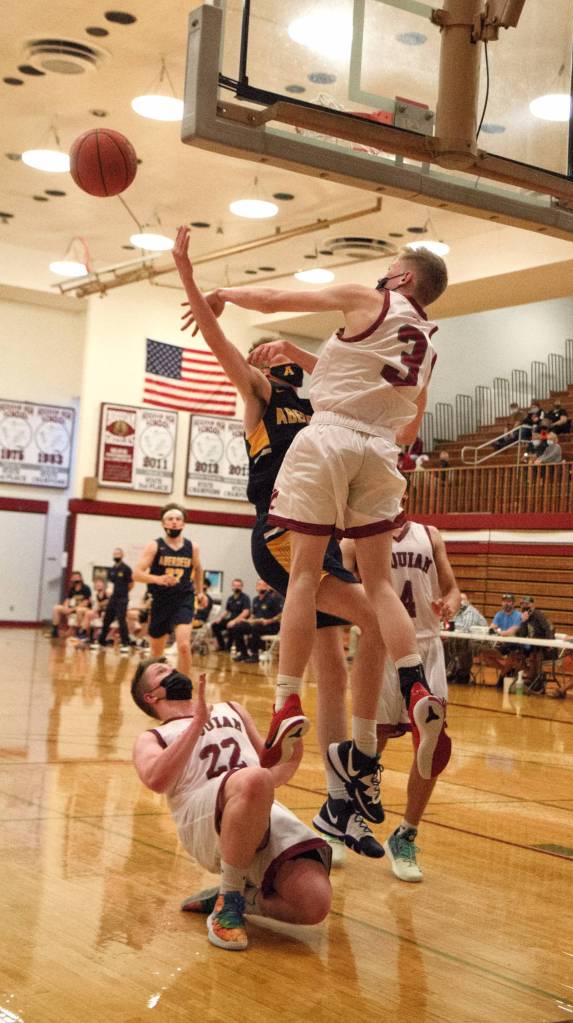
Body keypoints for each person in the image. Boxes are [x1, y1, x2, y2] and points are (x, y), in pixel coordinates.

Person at [173, 226, 393, 857]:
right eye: (263, 355)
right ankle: (359, 758)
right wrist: (191, 278)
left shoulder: (322, 401)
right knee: (376, 621)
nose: (270, 359)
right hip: (279, 533)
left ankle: (334, 797)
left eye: (277, 355)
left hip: (320, 541)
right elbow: (220, 347)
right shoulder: (263, 397)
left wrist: (298, 346)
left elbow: (359, 389)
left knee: (335, 665)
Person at [242, 246, 450, 806]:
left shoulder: (371, 299)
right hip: (381, 452)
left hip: (327, 445)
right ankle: (413, 686)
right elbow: (387, 400)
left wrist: (217, 294)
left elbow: (273, 297)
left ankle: (287, 700)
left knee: (305, 577)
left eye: (390, 263)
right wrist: (299, 355)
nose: (383, 268)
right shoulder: (427, 344)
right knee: (379, 590)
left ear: (401, 276)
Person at [131, 660, 331, 951]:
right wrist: (196, 723)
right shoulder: (152, 737)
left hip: (253, 799)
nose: (173, 671)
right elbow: (155, 779)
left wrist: (292, 748)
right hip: (201, 815)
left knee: (314, 903)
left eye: (172, 667)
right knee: (252, 779)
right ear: (151, 696)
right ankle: (229, 904)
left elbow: (270, 772)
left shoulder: (232, 708)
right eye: (162, 672)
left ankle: (239, 896)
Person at [341, 518, 460, 882]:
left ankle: (406, 832)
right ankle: (342, 817)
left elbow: (453, 588)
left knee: (432, 742)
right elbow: (340, 593)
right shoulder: (353, 538)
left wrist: (451, 604)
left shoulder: (431, 534)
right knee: (369, 742)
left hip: (425, 645)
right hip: (378, 645)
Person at [133, 504, 205, 676]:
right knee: (156, 654)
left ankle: (183, 687)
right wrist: (157, 579)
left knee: (184, 646)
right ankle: (153, 684)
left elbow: (199, 569)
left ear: (183, 524)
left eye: (178, 519)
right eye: (170, 519)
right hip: (161, 600)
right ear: (163, 523)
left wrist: (200, 591)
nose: (174, 522)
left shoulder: (192, 547)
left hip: (183, 599)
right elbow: (136, 574)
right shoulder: (154, 546)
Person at [93, 548, 133, 653]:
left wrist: (123, 592)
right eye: (115, 554)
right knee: (107, 619)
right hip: (113, 598)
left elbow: (131, 584)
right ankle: (101, 641)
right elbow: (111, 583)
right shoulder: (112, 569)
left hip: (122, 598)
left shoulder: (126, 569)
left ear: (122, 555)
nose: (116, 555)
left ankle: (125, 643)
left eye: (118, 553)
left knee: (121, 619)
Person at [231, 582, 283, 663]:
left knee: (256, 628)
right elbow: (253, 615)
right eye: (258, 584)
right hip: (256, 623)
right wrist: (247, 621)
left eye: (263, 584)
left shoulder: (273, 598)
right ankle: (243, 653)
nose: (260, 586)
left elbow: (281, 614)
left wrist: (269, 621)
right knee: (238, 627)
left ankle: (255, 655)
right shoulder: (255, 599)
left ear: (267, 586)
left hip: (271, 625)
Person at [446, 592, 487, 684]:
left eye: (463, 600)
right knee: (446, 643)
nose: (461, 602)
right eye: (459, 600)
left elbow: (465, 628)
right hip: (465, 639)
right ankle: (451, 670)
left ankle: (464, 673)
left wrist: (452, 626)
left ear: (468, 601)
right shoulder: (458, 612)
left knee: (464, 644)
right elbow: (450, 625)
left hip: (480, 642)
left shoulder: (470, 611)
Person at [483, 594, 522, 681]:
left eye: (509, 601)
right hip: (501, 644)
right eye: (504, 601)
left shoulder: (518, 615)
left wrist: (499, 632)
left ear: (513, 604)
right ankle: (506, 670)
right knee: (484, 654)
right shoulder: (499, 614)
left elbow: (512, 631)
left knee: (513, 655)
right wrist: (497, 632)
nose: (506, 604)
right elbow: (492, 628)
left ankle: (502, 676)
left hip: (514, 645)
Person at [515, 595, 554, 684]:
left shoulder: (537, 614)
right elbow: (522, 635)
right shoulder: (525, 617)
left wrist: (549, 644)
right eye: (522, 604)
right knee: (517, 653)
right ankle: (530, 676)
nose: (525, 606)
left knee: (534, 654)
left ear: (532, 605)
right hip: (532, 646)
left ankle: (533, 679)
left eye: (527, 604)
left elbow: (548, 629)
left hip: (546, 647)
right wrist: (523, 621)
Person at [210, 579, 251, 652]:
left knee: (232, 626)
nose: (236, 587)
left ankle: (229, 647)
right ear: (232, 587)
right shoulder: (230, 598)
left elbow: (246, 612)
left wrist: (234, 621)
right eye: (235, 585)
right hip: (231, 618)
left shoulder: (245, 598)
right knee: (215, 625)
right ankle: (222, 645)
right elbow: (227, 610)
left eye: (238, 586)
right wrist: (219, 618)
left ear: (242, 587)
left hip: (240, 621)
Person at [50, 571, 92, 638]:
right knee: (56, 608)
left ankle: (80, 631)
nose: (76, 579)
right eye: (74, 577)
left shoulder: (86, 588)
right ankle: (55, 630)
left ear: (81, 578)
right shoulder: (72, 589)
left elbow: (86, 602)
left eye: (77, 577)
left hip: (82, 609)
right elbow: (67, 600)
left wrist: (72, 609)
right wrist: (66, 607)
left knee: (79, 610)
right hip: (72, 608)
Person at [78, 577, 109, 642]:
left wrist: (100, 605)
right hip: (98, 613)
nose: (98, 584)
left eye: (100, 583)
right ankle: (83, 632)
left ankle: (83, 632)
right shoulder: (94, 595)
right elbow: (94, 606)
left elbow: (110, 602)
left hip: (108, 614)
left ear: (104, 584)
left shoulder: (108, 592)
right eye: (96, 583)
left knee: (89, 613)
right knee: (87, 612)